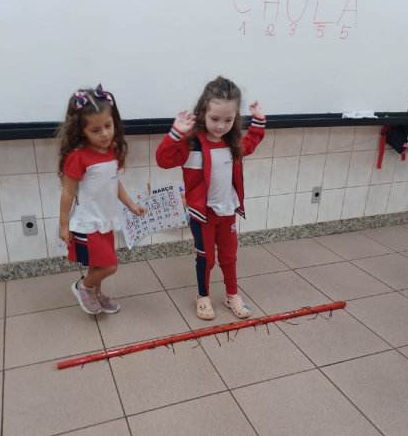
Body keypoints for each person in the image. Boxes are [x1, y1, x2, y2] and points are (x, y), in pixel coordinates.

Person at [156, 76, 266, 320]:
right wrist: (175, 134)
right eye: (215, 119)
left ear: (235, 118)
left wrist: (259, 120)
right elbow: (163, 160)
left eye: (228, 120)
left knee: (229, 256)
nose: (220, 126)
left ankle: (232, 294)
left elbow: (251, 142)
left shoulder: (232, 142)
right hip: (202, 214)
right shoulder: (191, 144)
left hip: (227, 211)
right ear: (202, 112)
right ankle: (203, 296)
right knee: (205, 258)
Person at [58, 84, 146, 315]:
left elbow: (113, 182)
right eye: (95, 130)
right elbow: (67, 192)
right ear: (81, 131)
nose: (105, 134)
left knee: (98, 264)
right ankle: (83, 287)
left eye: (108, 126)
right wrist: (64, 225)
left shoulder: (112, 150)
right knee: (110, 265)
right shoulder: (78, 157)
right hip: (88, 223)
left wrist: (130, 205)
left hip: (106, 221)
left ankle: (96, 294)